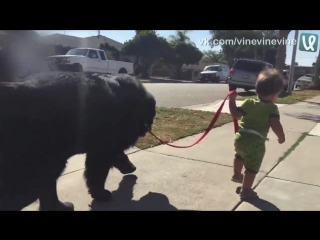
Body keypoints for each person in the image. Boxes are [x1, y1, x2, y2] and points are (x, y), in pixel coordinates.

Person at [228, 69, 285, 200]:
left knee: (239, 156)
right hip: (256, 142)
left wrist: (232, 100)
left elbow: (235, 115)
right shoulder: (272, 108)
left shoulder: (249, 102)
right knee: (251, 168)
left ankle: (237, 174)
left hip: (240, 138)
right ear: (273, 95)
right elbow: (275, 124)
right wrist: (281, 137)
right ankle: (246, 190)